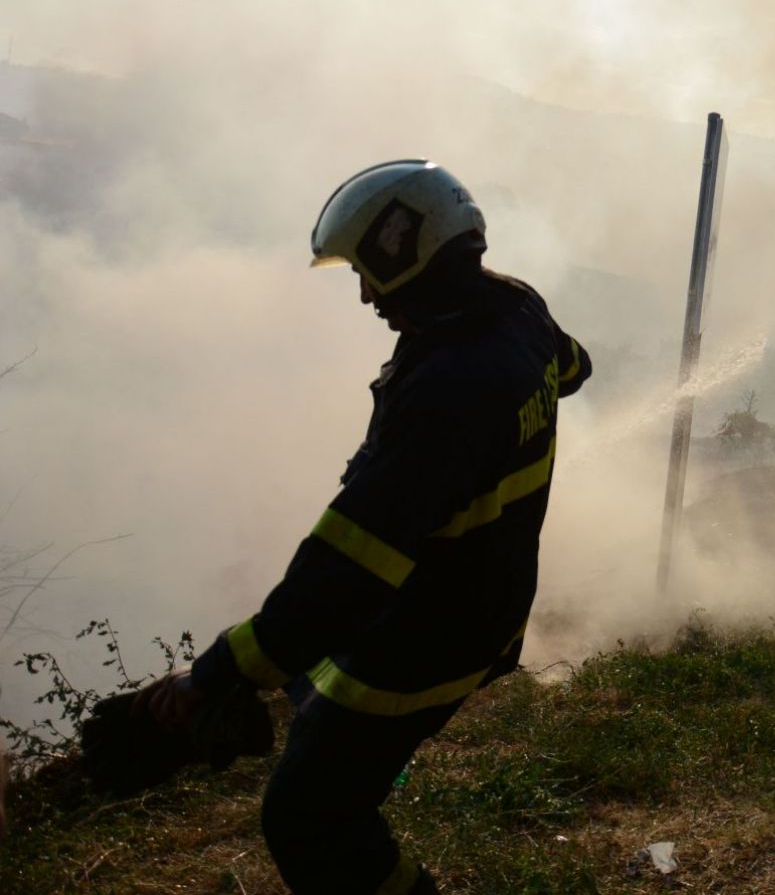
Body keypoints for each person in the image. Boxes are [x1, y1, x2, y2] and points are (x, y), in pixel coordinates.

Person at [134, 159, 591, 894]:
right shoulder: (514, 311)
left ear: (413, 257)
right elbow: (573, 369)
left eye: (371, 274)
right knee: (322, 736)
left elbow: (344, 575)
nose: (366, 295)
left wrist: (215, 674)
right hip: (487, 609)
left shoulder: (449, 389)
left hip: (420, 643)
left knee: (309, 819)